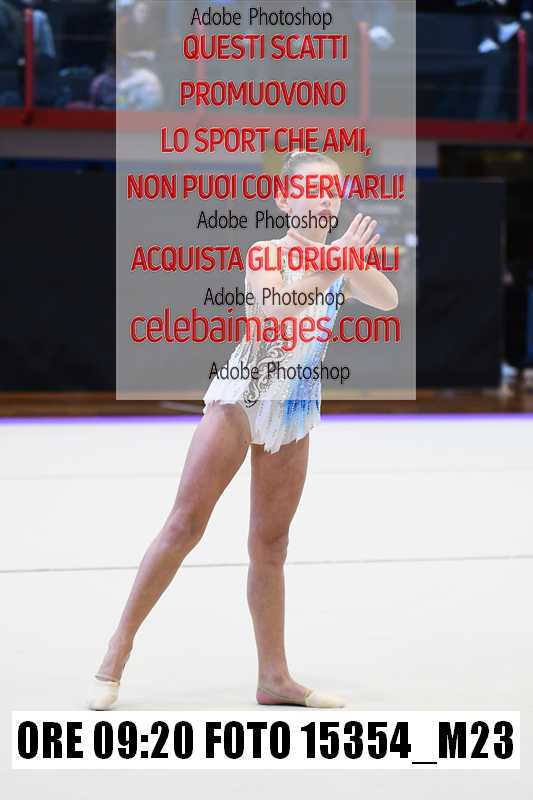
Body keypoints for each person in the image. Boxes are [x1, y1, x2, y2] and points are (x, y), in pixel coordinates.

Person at [88, 151, 399, 711]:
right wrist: (334, 263)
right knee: (185, 524)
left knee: (270, 544)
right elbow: (272, 318)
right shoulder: (266, 253)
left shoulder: (340, 261)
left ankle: (274, 677)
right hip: (244, 396)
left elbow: (388, 299)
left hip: (294, 408)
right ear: (284, 199)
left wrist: (346, 261)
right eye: (311, 189)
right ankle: (118, 647)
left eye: (332, 190)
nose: (324, 199)